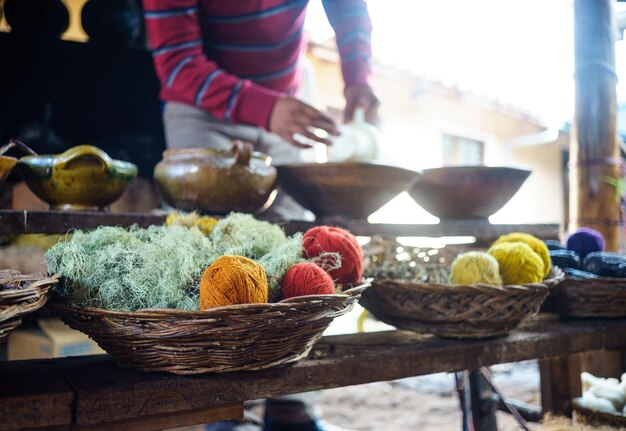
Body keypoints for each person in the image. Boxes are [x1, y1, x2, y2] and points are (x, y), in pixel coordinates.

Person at [142, 1, 378, 430]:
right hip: (202, 105)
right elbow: (177, 63)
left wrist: (359, 77)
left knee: (300, 250)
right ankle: (229, 410)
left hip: (288, 98)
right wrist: (263, 108)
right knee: (205, 253)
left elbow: (348, 8)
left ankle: (293, 403)